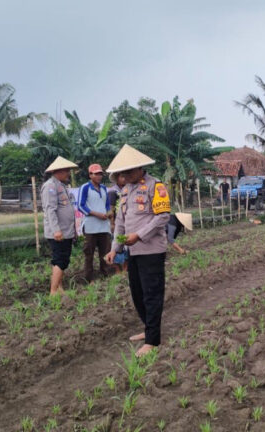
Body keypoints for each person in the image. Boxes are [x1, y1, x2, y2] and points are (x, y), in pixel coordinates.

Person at [104, 144, 170, 357]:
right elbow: (122, 224)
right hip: (134, 252)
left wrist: (139, 235)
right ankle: (147, 328)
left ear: (141, 168)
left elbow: (162, 217)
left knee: (152, 294)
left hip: (152, 250)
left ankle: (153, 340)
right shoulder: (124, 191)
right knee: (137, 293)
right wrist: (115, 248)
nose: (126, 176)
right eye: (123, 173)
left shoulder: (156, 186)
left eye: (130, 171)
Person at [41, 156, 78, 296]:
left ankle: (59, 287)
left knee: (60, 259)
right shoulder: (50, 186)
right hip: (58, 232)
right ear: (59, 171)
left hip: (66, 230)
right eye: (67, 171)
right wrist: (56, 230)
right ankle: (54, 290)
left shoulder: (61, 185)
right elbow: (50, 209)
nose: (68, 173)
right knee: (61, 259)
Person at [77, 164, 112, 281]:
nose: (99, 176)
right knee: (89, 253)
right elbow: (80, 206)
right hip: (91, 225)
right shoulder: (85, 187)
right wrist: (96, 214)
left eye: (100, 173)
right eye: (96, 174)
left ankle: (105, 273)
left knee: (105, 251)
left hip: (103, 225)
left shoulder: (103, 188)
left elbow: (106, 204)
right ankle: (89, 278)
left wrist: (109, 212)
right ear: (90, 175)